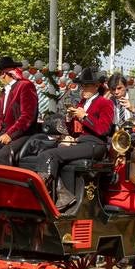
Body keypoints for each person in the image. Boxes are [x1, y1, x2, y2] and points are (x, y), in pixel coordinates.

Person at [36, 69, 113, 210]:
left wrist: (84, 116)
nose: (82, 89)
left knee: (50, 154)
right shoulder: (82, 103)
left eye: (86, 85)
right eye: (82, 85)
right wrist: (69, 119)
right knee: (45, 150)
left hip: (96, 145)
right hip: (81, 142)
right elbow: (73, 130)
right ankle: (60, 192)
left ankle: (53, 193)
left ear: (96, 86)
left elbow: (104, 130)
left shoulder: (104, 103)